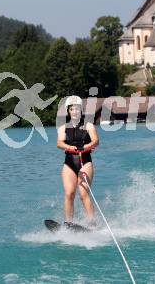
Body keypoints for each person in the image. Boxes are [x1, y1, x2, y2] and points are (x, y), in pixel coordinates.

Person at [57, 95, 99, 227]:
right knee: (69, 193)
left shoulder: (89, 125)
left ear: (81, 110)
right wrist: (69, 147)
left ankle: (92, 224)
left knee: (83, 193)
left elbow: (95, 141)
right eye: (72, 109)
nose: (74, 111)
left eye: (77, 109)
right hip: (69, 163)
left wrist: (84, 147)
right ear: (68, 111)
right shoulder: (63, 127)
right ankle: (68, 223)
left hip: (85, 162)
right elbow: (59, 143)